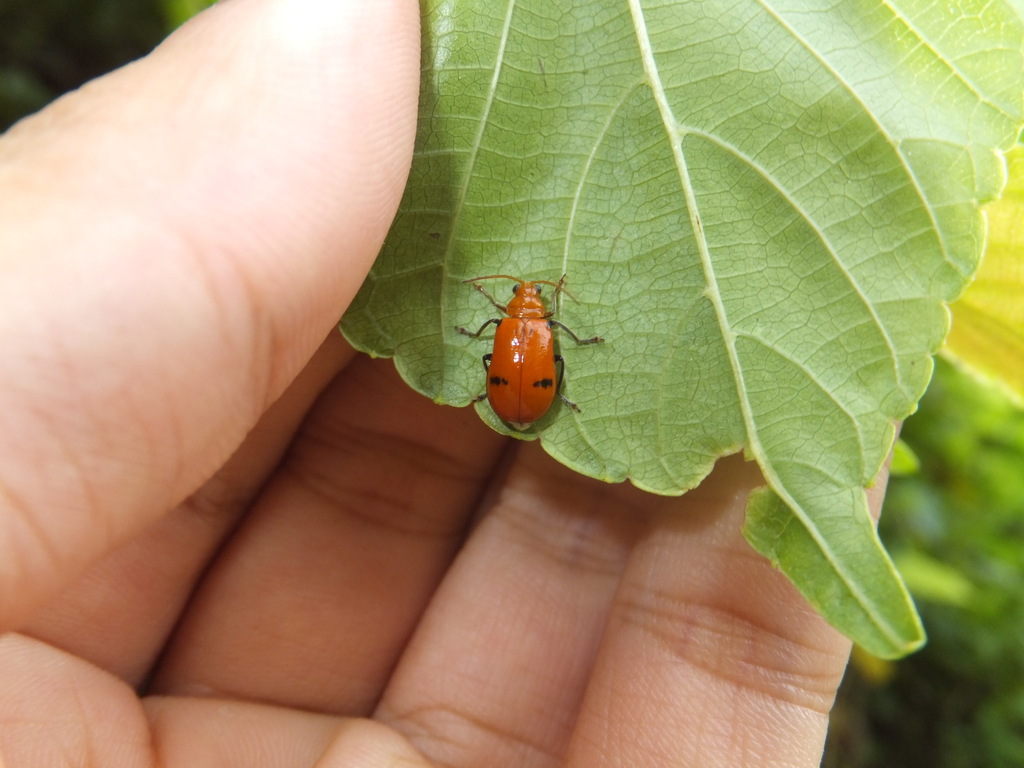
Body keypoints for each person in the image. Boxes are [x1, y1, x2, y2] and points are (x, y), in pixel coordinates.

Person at [0, 0, 878, 764]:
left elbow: (532, 356)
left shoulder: (522, 332)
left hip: (513, 401)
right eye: (528, 307)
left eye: (530, 306)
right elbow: (537, 358)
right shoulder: (528, 334)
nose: (529, 310)